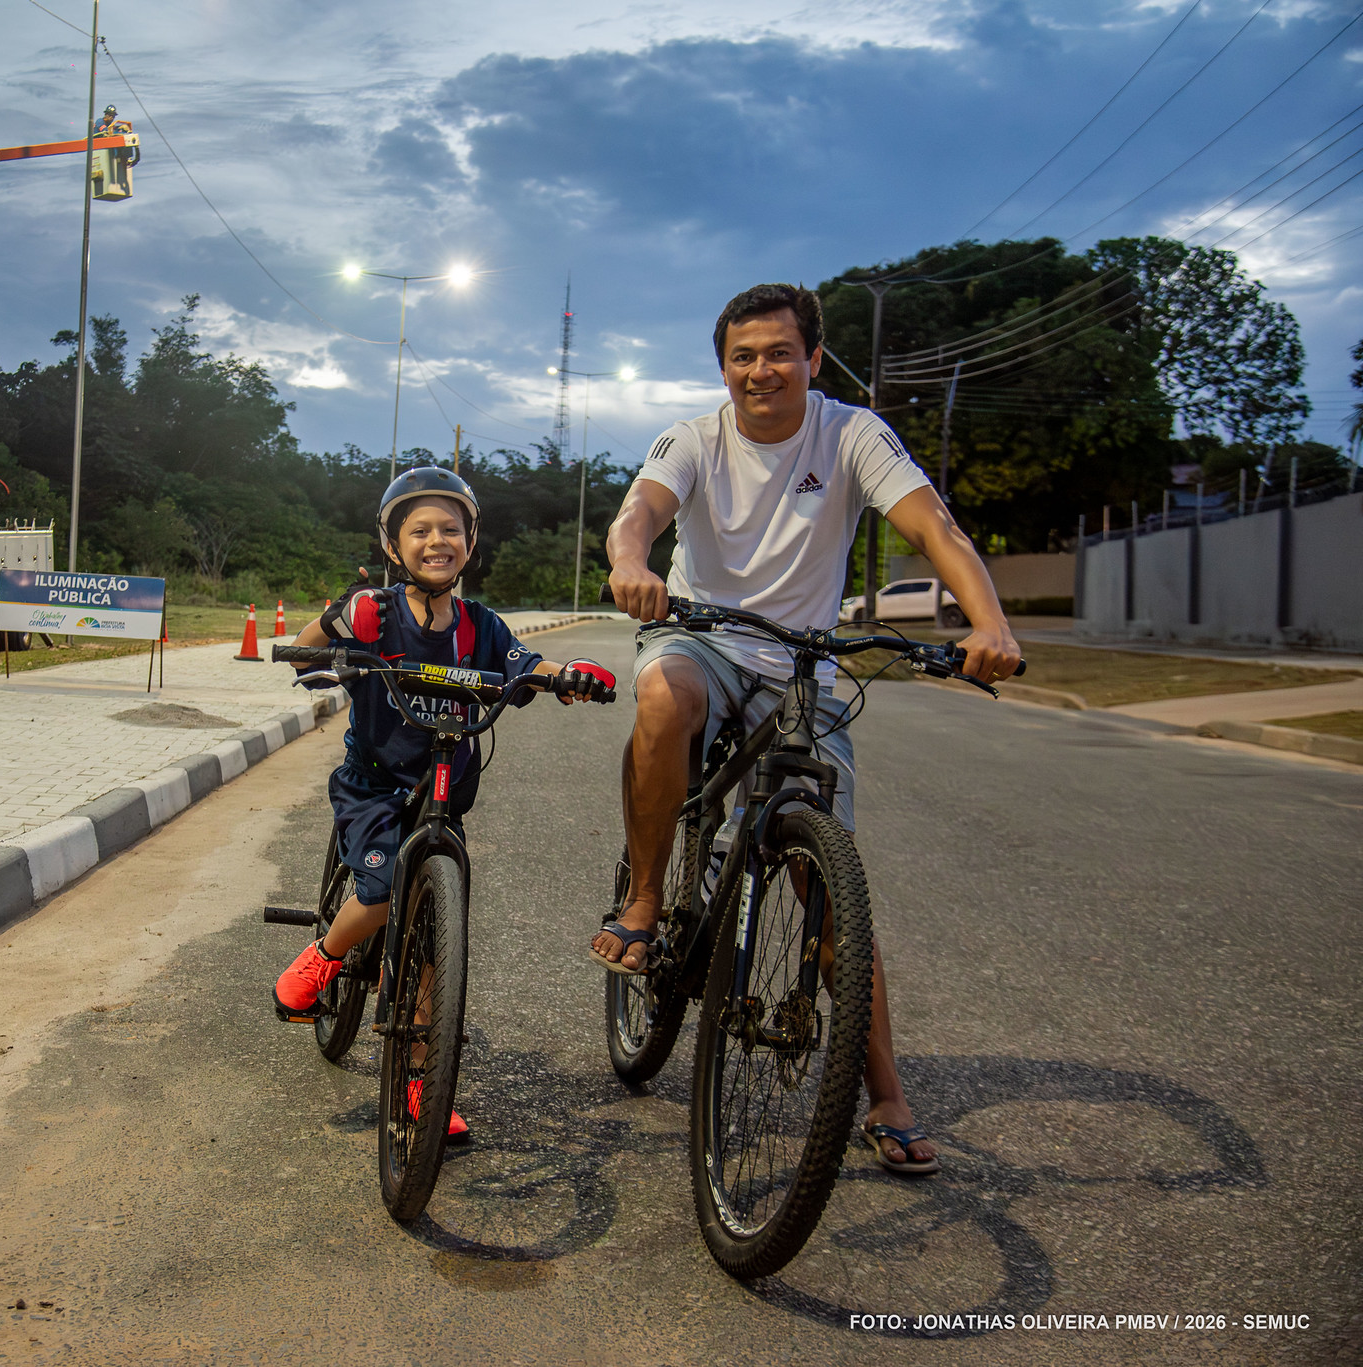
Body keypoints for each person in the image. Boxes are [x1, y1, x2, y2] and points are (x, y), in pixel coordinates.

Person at [597, 283, 1022, 1175]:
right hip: (702, 636)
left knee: (834, 888)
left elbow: (931, 522)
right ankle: (643, 897)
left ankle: (888, 1094)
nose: (762, 370)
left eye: (779, 353)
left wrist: (990, 621)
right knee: (664, 699)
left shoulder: (851, 434)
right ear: (724, 367)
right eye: (743, 356)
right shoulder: (696, 436)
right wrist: (631, 562)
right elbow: (639, 512)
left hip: (804, 665)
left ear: (813, 360)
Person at [273, 466, 615, 1139]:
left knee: (433, 939)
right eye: (420, 530)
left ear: (470, 541)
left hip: (440, 799)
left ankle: (421, 1082)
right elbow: (303, 660)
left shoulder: (479, 626)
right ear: (393, 546)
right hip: (375, 789)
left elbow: (525, 662)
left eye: (450, 529)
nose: (437, 540)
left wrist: (566, 675)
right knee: (379, 887)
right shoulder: (374, 611)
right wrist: (336, 622)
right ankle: (323, 958)